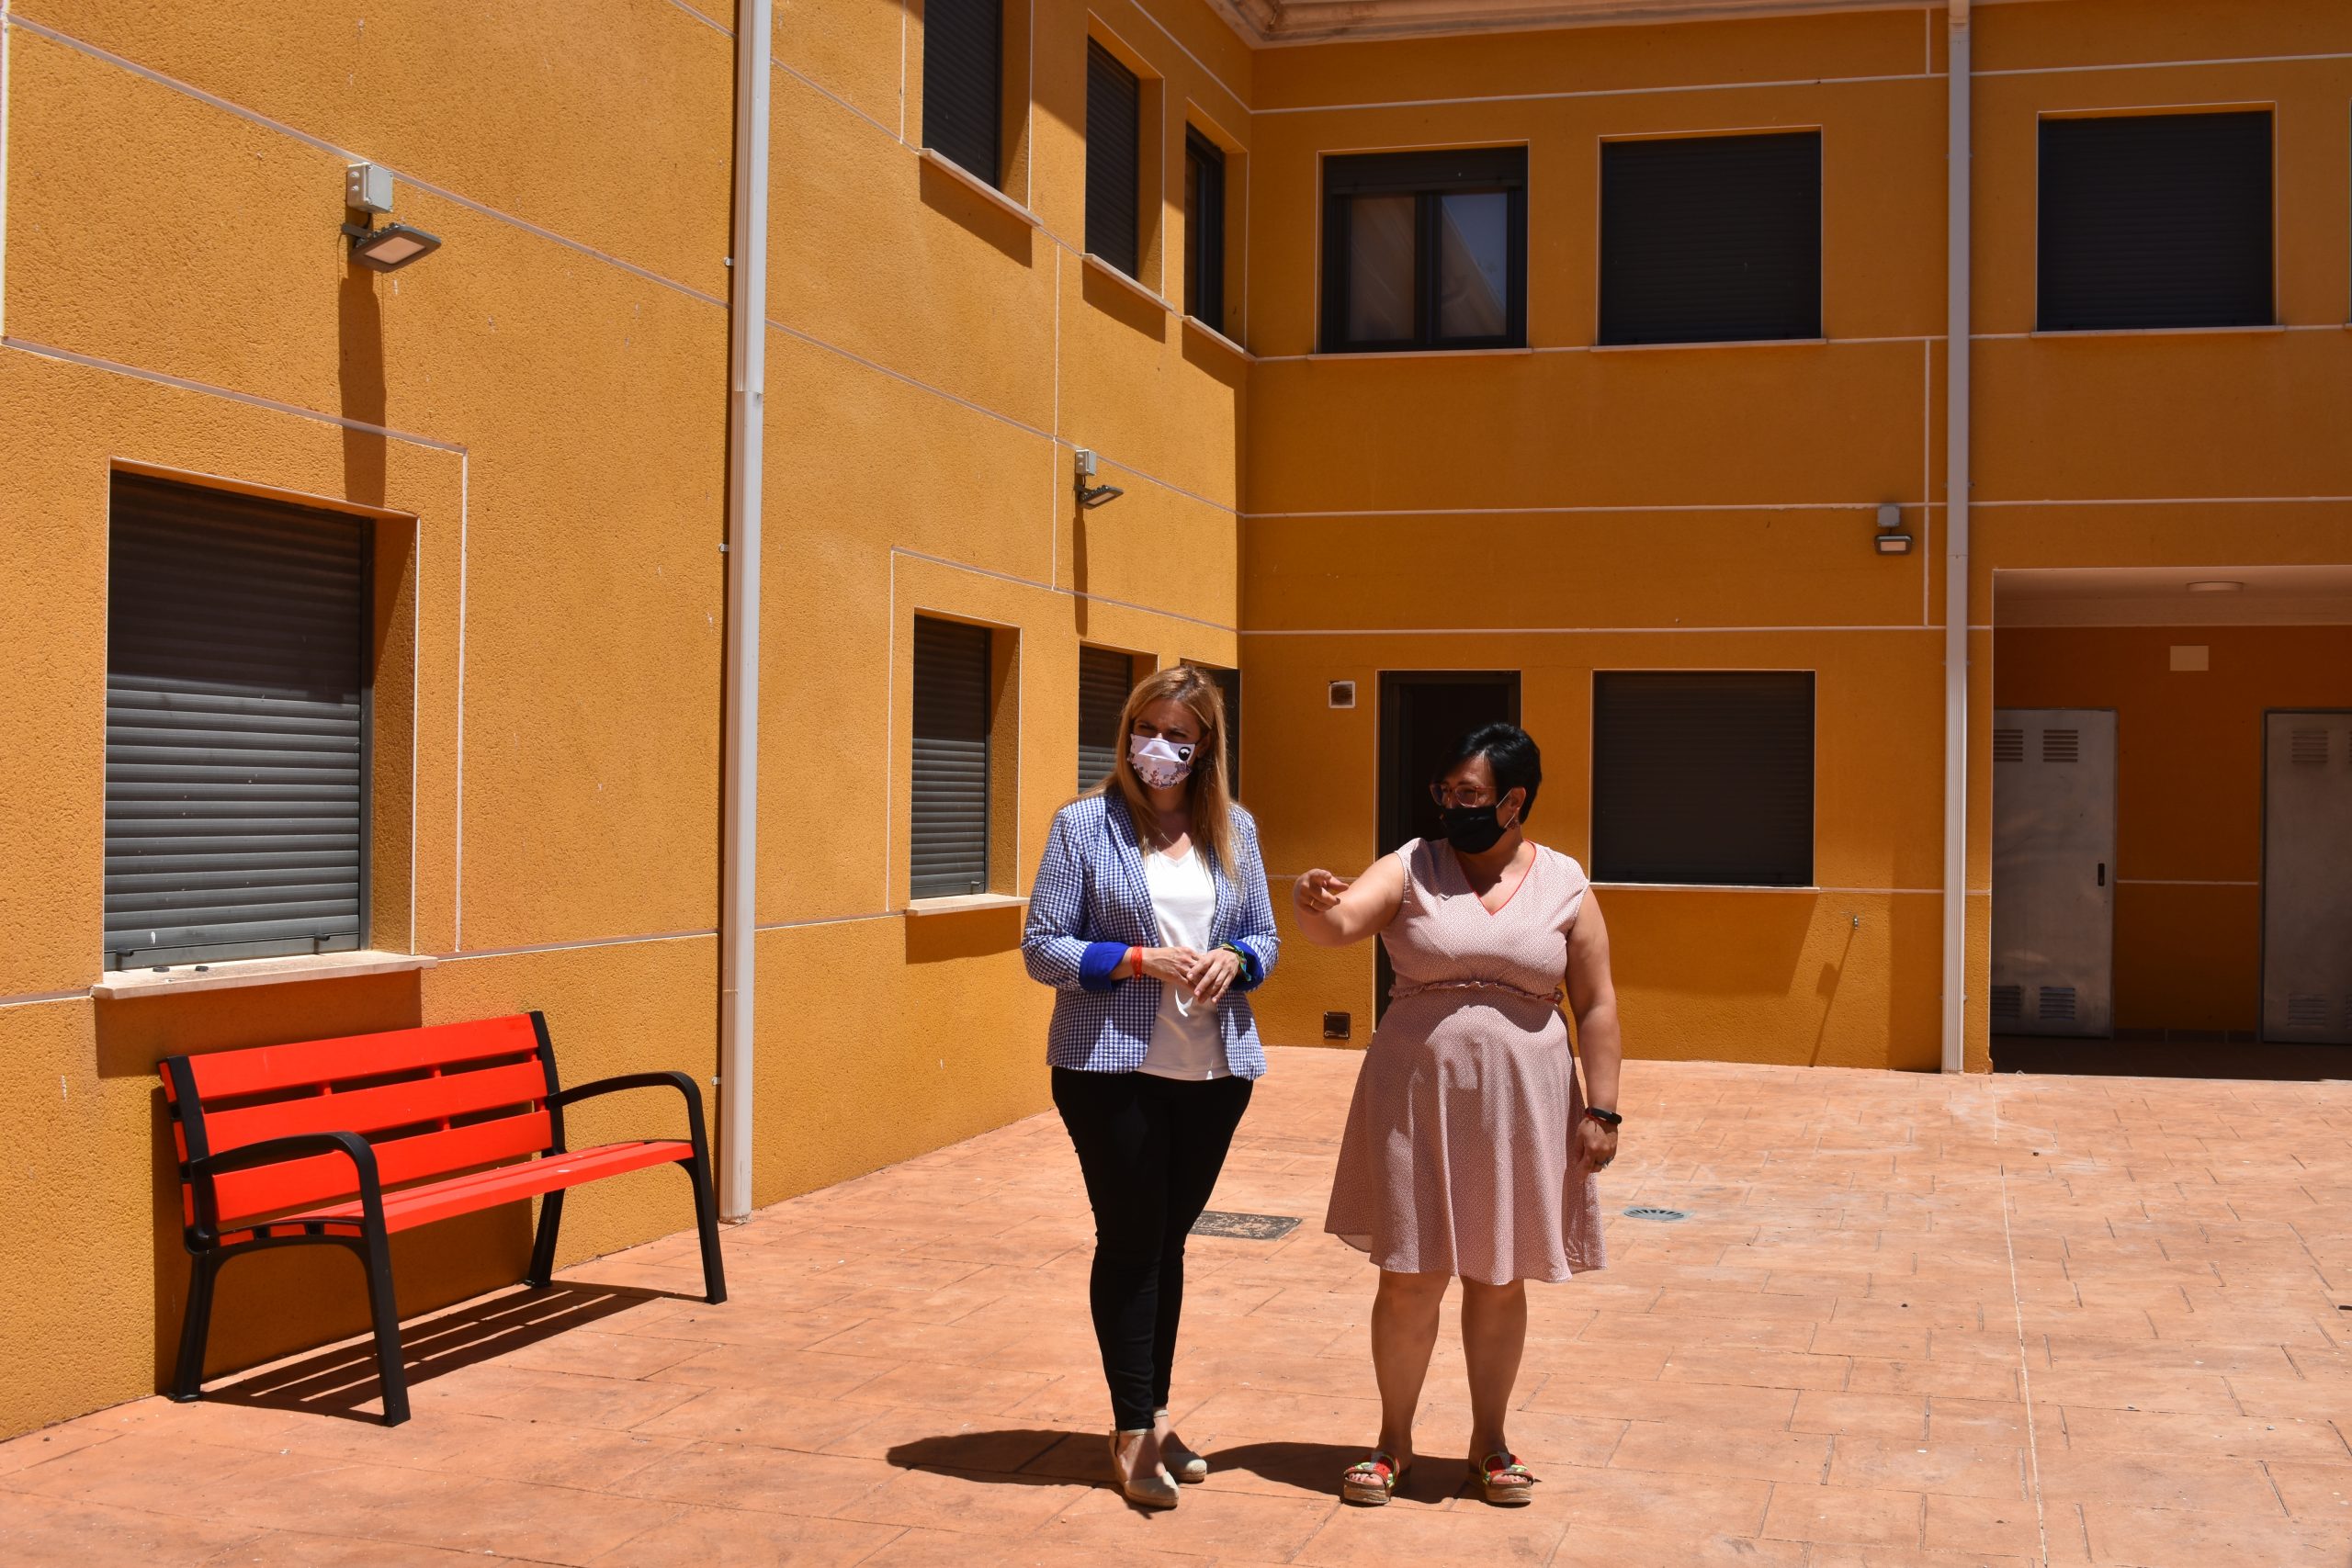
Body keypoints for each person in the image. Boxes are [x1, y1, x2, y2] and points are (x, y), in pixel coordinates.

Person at [1294, 722, 1623, 1508]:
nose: (1451, 805)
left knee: (1499, 1276)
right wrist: (1313, 903)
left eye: (1469, 793)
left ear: (1514, 800)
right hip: (1415, 1098)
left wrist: (1604, 1109)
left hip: (1523, 1105)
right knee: (1409, 1276)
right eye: (1444, 791)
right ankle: (1392, 1443)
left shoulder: (1566, 882)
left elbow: (1597, 1002)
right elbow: (1341, 923)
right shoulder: (1411, 864)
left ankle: (1490, 1444)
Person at [1022, 665, 1280, 1509]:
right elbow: (1043, 947)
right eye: (1146, 728)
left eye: (1178, 734)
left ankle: (1156, 1416)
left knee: (1167, 1245)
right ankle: (1132, 1428)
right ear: (1127, 731)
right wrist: (1137, 958)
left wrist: (1235, 958)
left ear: (1205, 746)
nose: (1158, 747)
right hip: (1108, 1070)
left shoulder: (1234, 829)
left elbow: (1265, 936)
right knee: (1132, 1240)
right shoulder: (1083, 825)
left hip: (1213, 1073)